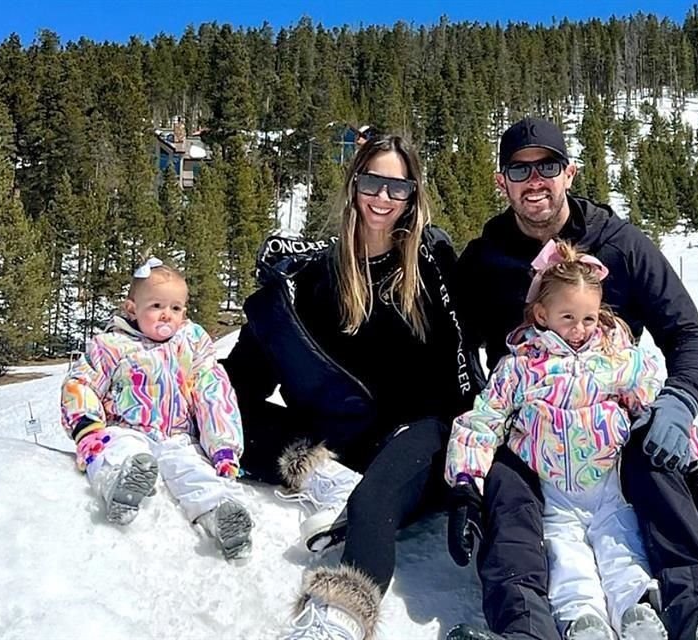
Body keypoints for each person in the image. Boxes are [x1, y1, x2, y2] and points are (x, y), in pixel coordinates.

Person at [446, 117, 698, 640]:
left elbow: (687, 333)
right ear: (502, 182)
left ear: (569, 172)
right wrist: (464, 478)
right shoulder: (484, 260)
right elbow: (455, 354)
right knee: (508, 487)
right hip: (533, 438)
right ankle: (525, 628)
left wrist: (681, 414)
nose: (535, 181)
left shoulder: (620, 245)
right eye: (519, 170)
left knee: (655, 450)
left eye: (547, 166)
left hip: (613, 437)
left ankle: (697, 614)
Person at [220, 134, 484, 639]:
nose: (382, 198)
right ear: (353, 184)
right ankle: (325, 480)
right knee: (228, 416)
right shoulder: (316, 273)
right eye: (372, 182)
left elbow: (465, 367)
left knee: (372, 502)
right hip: (345, 436)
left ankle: (335, 618)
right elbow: (243, 380)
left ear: (412, 195)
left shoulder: (432, 267)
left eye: (397, 187)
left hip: (421, 435)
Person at [447, 240, 698, 640]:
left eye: (589, 319)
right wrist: (465, 483)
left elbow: (654, 410)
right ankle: (582, 622)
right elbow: (483, 421)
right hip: (553, 488)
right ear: (541, 314)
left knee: (622, 547)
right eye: (568, 317)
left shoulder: (619, 359)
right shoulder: (521, 368)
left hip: (610, 484)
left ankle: (638, 612)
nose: (580, 330)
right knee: (566, 555)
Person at [60, 258, 253, 560]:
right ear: (132, 309)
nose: (167, 314)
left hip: (177, 435)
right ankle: (119, 483)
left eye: (175, 308)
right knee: (116, 451)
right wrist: (87, 428)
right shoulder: (111, 345)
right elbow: (82, 384)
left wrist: (223, 447)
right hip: (126, 427)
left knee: (195, 470)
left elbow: (213, 392)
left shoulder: (190, 344)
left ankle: (222, 515)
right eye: (156, 306)